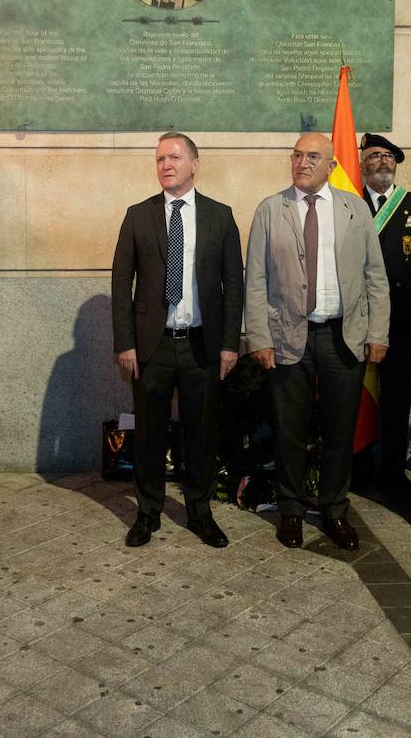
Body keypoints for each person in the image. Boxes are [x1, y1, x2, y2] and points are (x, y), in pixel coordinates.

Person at [245, 133, 390, 550]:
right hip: (288, 336)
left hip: (342, 337)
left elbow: (374, 276)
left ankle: (334, 510)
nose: (303, 162)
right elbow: (255, 280)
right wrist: (259, 336)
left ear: (331, 165)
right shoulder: (271, 210)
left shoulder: (354, 209)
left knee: (339, 430)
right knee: (289, 429)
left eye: (313, 156)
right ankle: (291, 510)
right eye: (297, 155)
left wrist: (377, 332)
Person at [110, 132, 243, 548]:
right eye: (159, 159)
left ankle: (200, 512)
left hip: (201, 344)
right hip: (153, 345)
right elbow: (120, 285)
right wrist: (125, 343)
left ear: (194, 164)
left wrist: (229, 344)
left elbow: (233, 286)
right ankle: (148, 512)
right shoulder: (138, 215)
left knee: (201, 433)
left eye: (174, 157)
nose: (166, 165)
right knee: (149, 434)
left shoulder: (220, 216)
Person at [356, 132, 411, 496]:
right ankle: (360, 467)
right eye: (374, 155)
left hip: (400, 318)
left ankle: (393, 470)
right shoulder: (348, 202)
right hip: (359, 319)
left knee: (397, 397)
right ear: (362, 163)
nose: (383, 161)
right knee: (359, 396)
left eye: (389, 156)